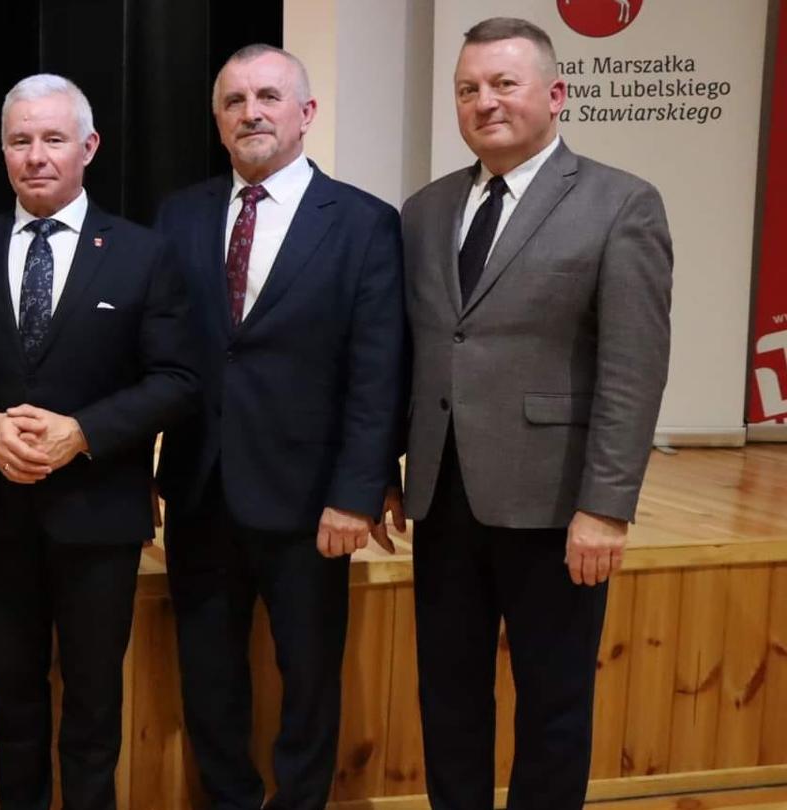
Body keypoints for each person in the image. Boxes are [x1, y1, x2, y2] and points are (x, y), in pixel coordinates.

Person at [401, 17, 672, 809]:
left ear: (555, 95)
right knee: (447, 695)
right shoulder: (425, 210)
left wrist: (606, 508)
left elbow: (634, 368)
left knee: (553, 704)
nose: (484, 101)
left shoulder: (622, 204)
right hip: (443, 496)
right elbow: (417, 348)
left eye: (504, 84)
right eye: (468, 88)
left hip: (557, 507)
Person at [0, 73, 197, 810]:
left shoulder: (144, 254)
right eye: (20, 140)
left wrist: (84, 433)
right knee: (12, 709)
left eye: (52, 139)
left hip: (100, 517)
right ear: (3, 150)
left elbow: (177, 377)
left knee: (92, 711)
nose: (36, 156)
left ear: (89, 146)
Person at [152, 44, 405, 810]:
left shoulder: (364, 223)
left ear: (306, 113)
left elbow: (377, 368)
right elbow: (160, 355)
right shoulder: (180, 213)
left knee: (309, 674)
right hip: (201, 490)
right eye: (234, 101)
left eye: (268, 96)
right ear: (219, 120)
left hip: (309, 501)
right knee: (210, 675)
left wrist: (358, 491)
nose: (251, 112)